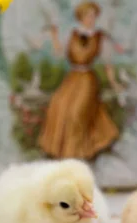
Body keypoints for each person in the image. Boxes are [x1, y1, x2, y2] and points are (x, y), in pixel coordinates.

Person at [38, 1, 124, 159]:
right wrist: (54, 35)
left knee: (76, 111)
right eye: (87, 15)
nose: (90, 18)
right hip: (72, 77)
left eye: (93, 15)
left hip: (87, 79)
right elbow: (59, 54)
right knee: (58, 103)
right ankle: (59, 151)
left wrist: (115, 83)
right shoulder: (72, 34)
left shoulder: (100, 36)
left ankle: (78, 153)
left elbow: (108, 64)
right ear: (80, 17)